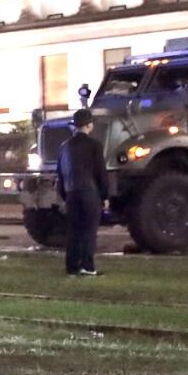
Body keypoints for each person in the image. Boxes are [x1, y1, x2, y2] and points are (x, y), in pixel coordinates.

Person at [57, 108, 109, 277]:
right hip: (89, 192)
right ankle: (88, 266)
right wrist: (105, 195)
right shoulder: (95, 146)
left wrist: (64, 196)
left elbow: (60, 173)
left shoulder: (64, 147)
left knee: (73, 232)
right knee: (89, 231)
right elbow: (101, 172)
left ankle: (72, 267)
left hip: (71, 193)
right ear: (89, 126)